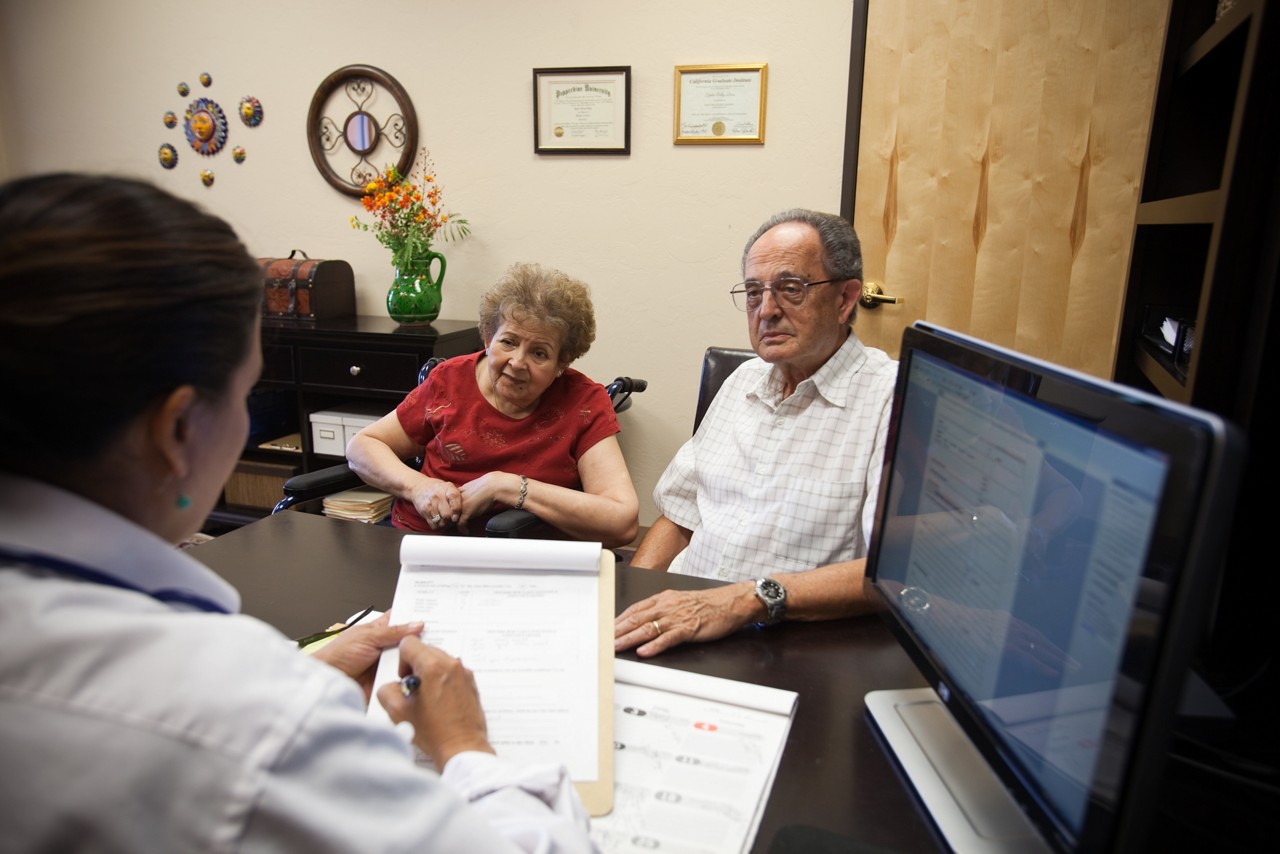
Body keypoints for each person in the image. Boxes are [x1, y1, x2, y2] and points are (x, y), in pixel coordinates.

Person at [0, 173, 594, 852]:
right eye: (248, 391)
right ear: (177, 432)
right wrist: (464, 746)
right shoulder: (259, 716)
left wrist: (308, 669)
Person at [615, 208, 898, 657]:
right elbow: (679, 514)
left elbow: (890, 574)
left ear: (845, 300)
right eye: (752, 292)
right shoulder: (743, 380)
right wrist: (630, 602)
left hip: (783, 640)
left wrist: (743, 600)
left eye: (791, 289)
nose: (766, 310)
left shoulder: (890, 400)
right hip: (681, 620)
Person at [346, 261, 639, 548]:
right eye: (508, 342)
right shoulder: (449, 381)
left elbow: (622, 522)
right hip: (424, 545)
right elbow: (362, 446)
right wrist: (418, 487)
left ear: (563, 362)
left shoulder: (583, 402)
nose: (517, 362)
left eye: (539, 353)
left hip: (526, 559)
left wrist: (509, 487)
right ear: (488, 337)